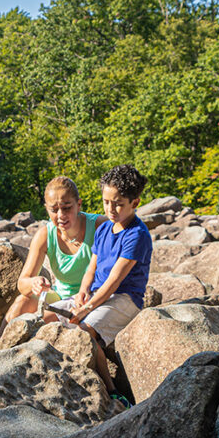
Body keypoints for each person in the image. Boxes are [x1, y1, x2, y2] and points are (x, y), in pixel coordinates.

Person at [52, 164, 152, 395]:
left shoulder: (137, 235)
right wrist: (83, 291)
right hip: (98, 296)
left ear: (134, 203)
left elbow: (114, 281)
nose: (111, 209)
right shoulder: (104, 228)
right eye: (106, 202)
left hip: (125, 299)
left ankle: (111, 390)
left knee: (85, 330)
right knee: (49, 315)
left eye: (118, 203)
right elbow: (92, 267)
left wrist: (86, 308)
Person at [2, 176, 106, 327]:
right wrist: (34, 283)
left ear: (79, 204)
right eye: (54, 210)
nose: (61, 215)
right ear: (46, 209)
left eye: (67, 207)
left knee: (42, 321)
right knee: (22, 301)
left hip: (93, 298)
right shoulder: (45, 235)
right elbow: (22, 283)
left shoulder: (99, 226)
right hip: (60, 296)